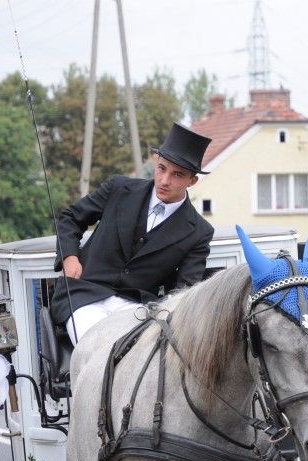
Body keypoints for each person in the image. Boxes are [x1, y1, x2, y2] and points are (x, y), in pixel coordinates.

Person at [50, 123, 215, 343]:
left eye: (177, 175)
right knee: (97, 349)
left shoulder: (199, 232)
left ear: (192, 181)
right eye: (162, 169)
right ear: (156, 163)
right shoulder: (118, 189)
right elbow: (70, 217)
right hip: (84, 295)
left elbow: (183, 292)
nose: (165, 180)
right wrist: (69, 258)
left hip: (137, 309)